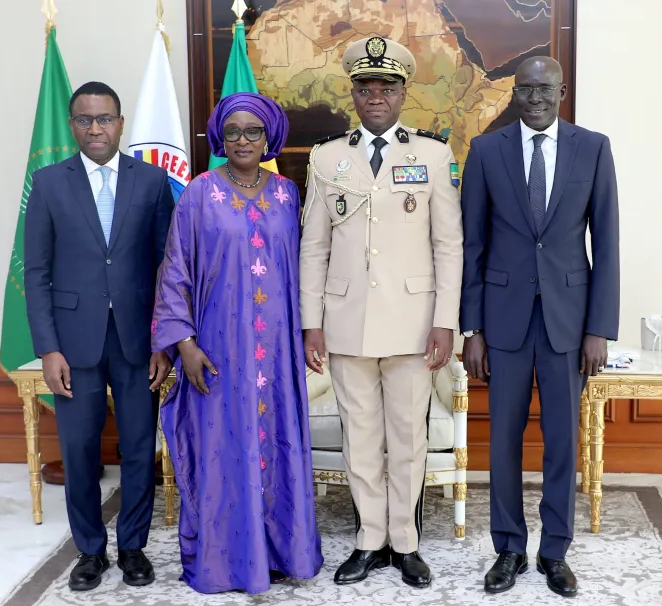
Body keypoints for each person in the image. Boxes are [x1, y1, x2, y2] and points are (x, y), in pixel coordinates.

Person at [299, 36, 463, 588]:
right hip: (345, 322)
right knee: (360, 438)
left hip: (415, 324)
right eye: (365, 87)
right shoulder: (327, 157)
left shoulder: (433, 155)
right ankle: (370, 539)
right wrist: (310, 323)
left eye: (386, 87)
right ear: (353, 93)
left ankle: (407, 544)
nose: (375, 96)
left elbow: (448, 246)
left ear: (402, 93)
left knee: (408, 438)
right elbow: (313, 247)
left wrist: (446, 320)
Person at [151, 92, 324, 595]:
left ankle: (277, 553)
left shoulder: (289, 194)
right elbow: (175, 270)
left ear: (270, 136)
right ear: (220, 138)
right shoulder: (200, 193)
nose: (243, 140)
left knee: (276, 446)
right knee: (223, 450)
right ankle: (227, 562)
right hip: (219, 352)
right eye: (232, 132)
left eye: (253, 131)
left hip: (278, 352)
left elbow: (307, 271)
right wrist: (182, 342)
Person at [460, 56, 620, 598]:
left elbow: (608, 243)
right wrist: (471, 328)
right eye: (525, 89)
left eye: (545, 89)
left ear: (562, 91)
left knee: (560, 444)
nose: (535, 98)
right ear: (514, 92)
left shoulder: (593, 148)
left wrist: (599, 328)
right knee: (502, 439)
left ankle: (555, 552)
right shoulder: (486, 151)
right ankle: (508, 548)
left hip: (569, 325)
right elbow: (473, 246)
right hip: (502, 324)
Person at [24, 81, 174, 591]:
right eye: (85, 120)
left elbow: (166, 268)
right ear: (72, 125)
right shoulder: (48, 184)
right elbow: (36, 272)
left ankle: (133, 548)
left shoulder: (152, 182)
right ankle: (90, 551)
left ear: (121, 123)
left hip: (137, 341)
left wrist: (164, 342)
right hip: (73, 343)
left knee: (137, 448)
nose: (95, 129)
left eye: (104, 119)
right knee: (81, 449)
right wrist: (47, 347)